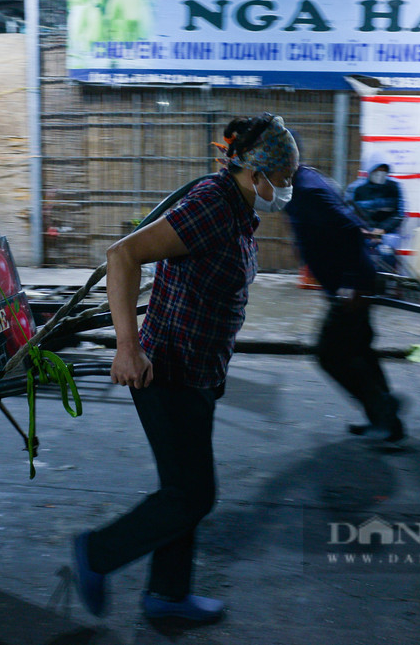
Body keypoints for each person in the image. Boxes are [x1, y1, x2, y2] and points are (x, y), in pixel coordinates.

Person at [71, 113, 298, 624]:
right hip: (167, 371)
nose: (287, 189)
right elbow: (123, 255)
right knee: (192, 494)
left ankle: (167, 596)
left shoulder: (236, 209)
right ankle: (97, 553)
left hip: (197, 372)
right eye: (283, 179)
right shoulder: (212, 206)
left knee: (183, 489)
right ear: (255, 174)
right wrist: (127, 347)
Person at [284, 149, 406, 444]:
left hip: (352, 286)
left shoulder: (307, 190)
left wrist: (350, 283)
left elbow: (351, 229)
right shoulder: (302, 181)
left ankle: (384, 409)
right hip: (349, 282)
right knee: (360, 350)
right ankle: (386, 420)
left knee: (330, 354)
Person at [344, 156, 405, 270]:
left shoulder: (394, 187)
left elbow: (399, 213)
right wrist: (365, 230)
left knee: (387, 252)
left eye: (383, 170)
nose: (380, 173)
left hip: (386, 233)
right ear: (370, 170)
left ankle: (386, 277)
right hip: (363, 231)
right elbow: (349, 213)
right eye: (377, 170)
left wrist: (382, 230)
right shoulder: (356, 189)